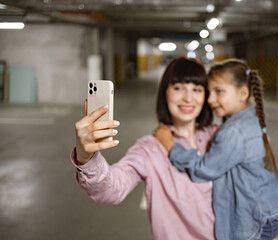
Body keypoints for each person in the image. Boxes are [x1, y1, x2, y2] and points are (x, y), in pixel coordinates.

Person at [71, 57, 219, 240]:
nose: (188, 98)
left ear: (206, 96)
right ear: (165, 93)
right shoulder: (149, 149)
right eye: (178, 88)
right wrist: (86, 157)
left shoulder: (220, 137)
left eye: (197, 89)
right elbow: (111, 189)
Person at [153, 58, 278, 240]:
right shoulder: (252, 120)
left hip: (252, 225)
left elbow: (204, 169)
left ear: (242, 93)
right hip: (269, 216)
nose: (210, 99)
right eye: (209, 92)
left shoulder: (234, 132)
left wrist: (170, 145)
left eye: (219, 92)